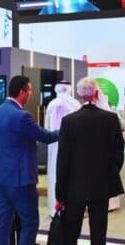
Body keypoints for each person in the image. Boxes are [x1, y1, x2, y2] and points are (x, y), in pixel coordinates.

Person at [0, 75, 59, 245]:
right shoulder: (22, 116)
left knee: (4, 222)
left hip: (3, 178)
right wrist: (67, 128)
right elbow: (46, 137)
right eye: (29, 90)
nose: (31, 94)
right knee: (30, 223)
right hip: (22, 180)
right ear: (22, 92)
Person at [56, 78, 124, 245]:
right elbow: (118, 153)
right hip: (101, 185)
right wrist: (111, 172)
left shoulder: (69, 121)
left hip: (74, 186)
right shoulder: (110, 118)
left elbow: (63, 159)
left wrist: (60, 193)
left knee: (71, 232)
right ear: (96, 93)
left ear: (79, 95)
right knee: (99, 232)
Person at [44, 81, 81, 218]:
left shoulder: (51, 104)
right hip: (73, 148)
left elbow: (47, 128)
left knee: (55, 174)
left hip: (54, 146)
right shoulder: (75, 104)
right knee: (72, 175)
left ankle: (55, 208)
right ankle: (73, 209)